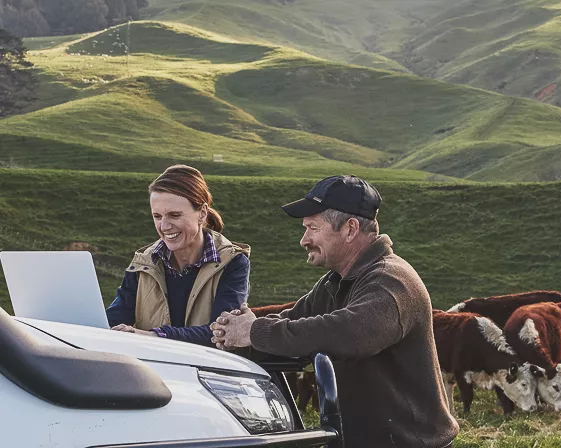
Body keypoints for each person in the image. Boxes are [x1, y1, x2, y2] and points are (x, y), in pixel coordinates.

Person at [210, 175, 458, 448]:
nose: (304, 240)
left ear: (350, 229)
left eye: (313, 228)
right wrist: (234, 334)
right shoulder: (337, 281)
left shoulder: (391, 281)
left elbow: (350, 333)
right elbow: (295, 322)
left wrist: (254, 331)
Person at [106, 165, 250, 346]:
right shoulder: (143, 262)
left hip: (205, 370)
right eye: (157, 216)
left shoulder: (233, 262)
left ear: (202, 213)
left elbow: (221, 332)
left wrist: (152, 336)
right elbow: (113, 319)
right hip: (149, 369)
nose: (164, 226)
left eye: (174, 215)